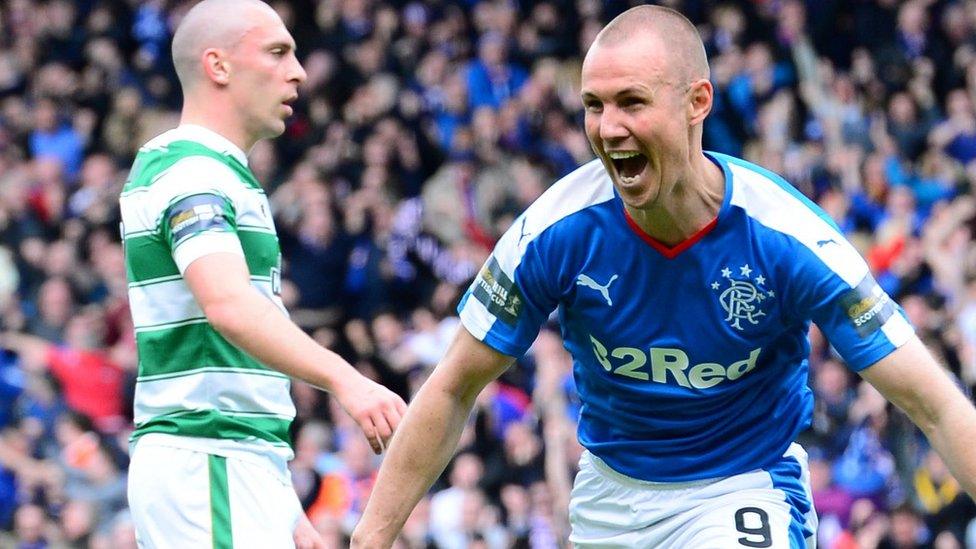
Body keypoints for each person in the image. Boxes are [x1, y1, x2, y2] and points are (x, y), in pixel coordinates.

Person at [352, 6, 976, 548]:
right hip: (609, 499)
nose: (608, 127)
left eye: (632, 102)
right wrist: (370, 538)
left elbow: (937, 405)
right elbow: (452, 387)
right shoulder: (556, 232)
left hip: (743, 486)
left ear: (697, 103)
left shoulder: (788, 238)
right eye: (594, 105)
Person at [119, 1, 407, 547]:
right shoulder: (191, 169)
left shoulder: (217, 171)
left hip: (236, 461)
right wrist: (346, 378)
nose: (298, 71)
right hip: (208, 458)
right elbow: (228, 306)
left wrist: (282, 505)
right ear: (218, 66)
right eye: (277, 52)